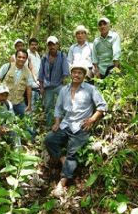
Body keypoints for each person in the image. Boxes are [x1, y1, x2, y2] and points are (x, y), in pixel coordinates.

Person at [44, 64, 107, 197]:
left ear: (84, 76)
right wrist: (57, 122)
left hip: (81, 127)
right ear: (71, 74)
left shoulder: (91, 89)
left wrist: (92, 119)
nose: (77, 75)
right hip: (66, 124)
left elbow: (102, 106)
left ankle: (62, 183)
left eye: (80, 73)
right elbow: (58, 108)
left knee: (72, 153)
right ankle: (62, 160)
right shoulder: (64, 90)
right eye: (74, 72)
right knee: (49, 140)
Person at [38, 36, 70, 127]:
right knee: (48, 107)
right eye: (50, 45)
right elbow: (41, 73)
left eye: (53, 44)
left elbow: (65, 71)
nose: (52, 47)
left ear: (57, 45)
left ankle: (64, 124)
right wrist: (41, 87)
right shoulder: (44, 58)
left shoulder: (62, 55)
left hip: (59, 85)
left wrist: (65, 84)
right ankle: (48, 126)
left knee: (64, 104)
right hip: (48, 86)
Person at [0, 49, 33, 117]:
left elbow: (29, 89)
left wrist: (29, 104)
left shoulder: (28, 72)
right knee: (5, 121)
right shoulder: (7, 67)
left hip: (19, 102)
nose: (21, 59)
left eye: (23, 58)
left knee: (28, 119)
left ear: (26, 59)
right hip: (4, 101)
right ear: (15, 57)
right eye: (19, 57)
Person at [27, 38, 41, 110]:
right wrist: (35, 80)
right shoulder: (27, 54)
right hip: (30, 85)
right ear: (29, 46)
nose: (34, 46)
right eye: (32, 45)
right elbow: (29, 68)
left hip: (37, 85)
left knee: (37, 106)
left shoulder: (37, 54)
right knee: (31, 106)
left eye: (35, 45)